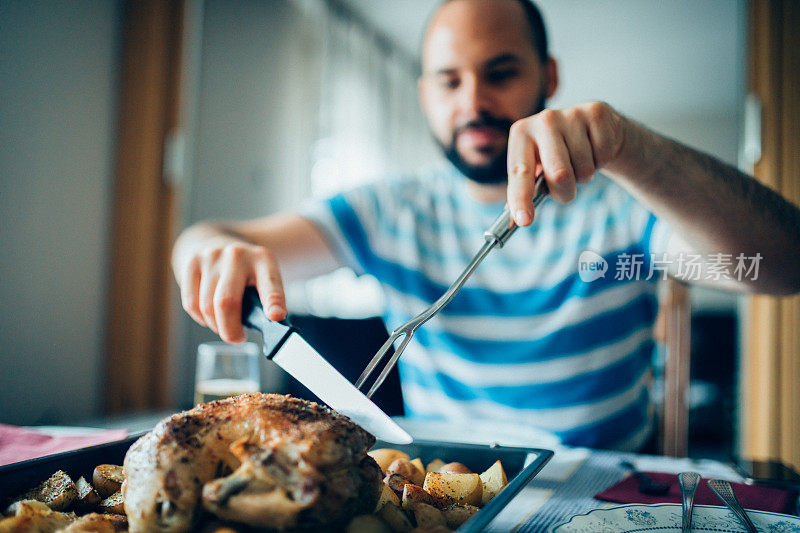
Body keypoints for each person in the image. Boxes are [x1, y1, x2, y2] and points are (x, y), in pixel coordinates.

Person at [172, 0, 800, 450]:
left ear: (547, 78)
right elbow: (215, 238)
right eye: (450, 81)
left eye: (500, 73)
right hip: (452, 493)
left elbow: (781, 267)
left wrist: (637, 149)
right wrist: (208, 251)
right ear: (425, 94)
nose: (472, 101)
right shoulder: (386, 211)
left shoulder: (625, 208)